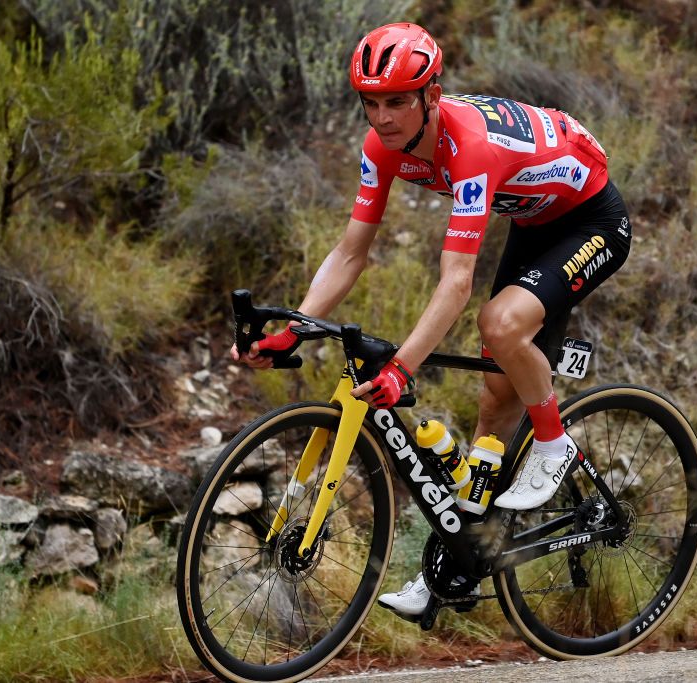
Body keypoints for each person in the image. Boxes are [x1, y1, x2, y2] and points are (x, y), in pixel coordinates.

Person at [232, 22, 631, 619]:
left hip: (591, 219)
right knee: (495, 400)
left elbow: (455, 281)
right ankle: (461, 558)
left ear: (431, 96)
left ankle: (554, 443)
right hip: (531, 220)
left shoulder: (468, 148)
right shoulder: (381, 148)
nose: (384, 117)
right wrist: (292, 326)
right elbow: (349, 253)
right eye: (372, 103)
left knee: (499, 325)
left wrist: (402, 367)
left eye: (397, 101)